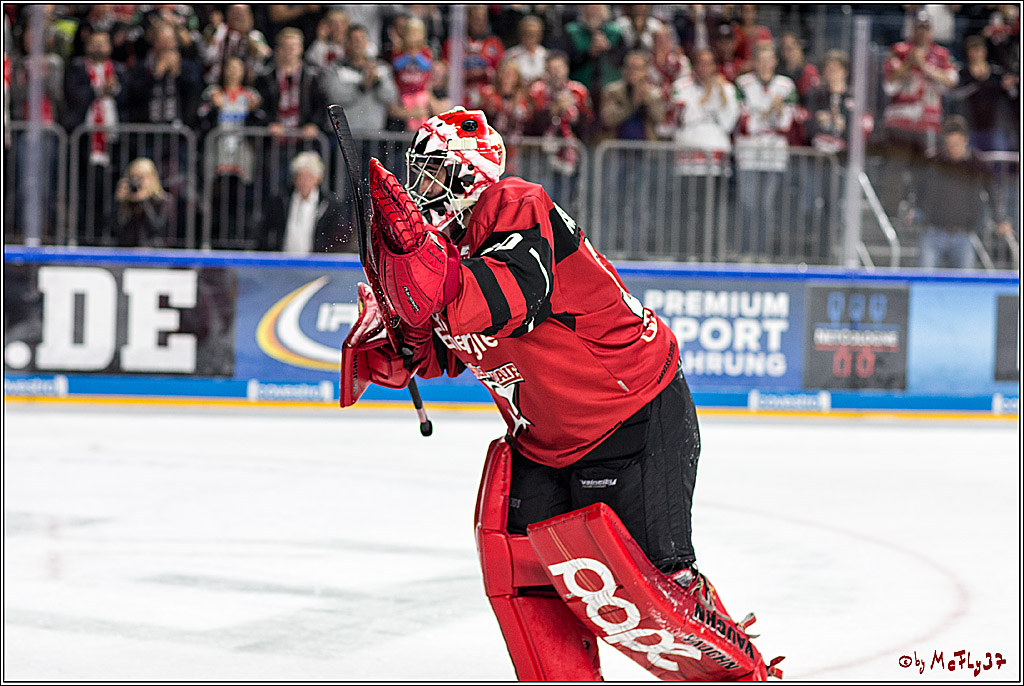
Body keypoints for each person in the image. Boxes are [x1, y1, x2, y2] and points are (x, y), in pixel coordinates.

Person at [339, 107, 781, 681]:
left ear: (469, 176)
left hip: (632, 417)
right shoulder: (444, 252)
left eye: (431, 174)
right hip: (542, 444)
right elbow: (451, 346)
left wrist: (428, 280)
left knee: (658, 592)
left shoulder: (516, 205)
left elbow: (514, 293)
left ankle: (744, 675)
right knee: (519, 573)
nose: (419, 191)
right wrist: (399, 334)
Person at [909, 115, 1013, 270]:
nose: (952, 149)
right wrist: (916, 208)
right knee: (924, 280)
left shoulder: (977, 165)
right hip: (933, 231)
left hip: (963, 235)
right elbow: (919, 188)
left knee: (964, 284)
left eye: (956, 144)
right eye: (949, 145)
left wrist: (1000, 219)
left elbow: (993, 194)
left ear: (965, 140)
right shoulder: (934, 163)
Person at [734, 41, 796, 258]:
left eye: (769, 60)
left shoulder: (786, 86)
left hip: (774, 154)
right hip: (749, 152)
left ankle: (763, 252)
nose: (765, 65)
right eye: (760, 60)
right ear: (754, 62)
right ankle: (745, 251)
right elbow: (744, 122)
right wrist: (771, 112)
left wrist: (768, 115)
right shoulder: (743, 84)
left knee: (767, 206)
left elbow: (786, 124)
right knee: (748, 204)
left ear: (775, 62)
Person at [258, 151, 352, 253]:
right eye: (300, 176)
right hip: (282, 261)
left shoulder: (330, 205)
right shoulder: (281, 200)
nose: (304, 182)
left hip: (316, 263)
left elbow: (336, 236)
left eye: (309, 177)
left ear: (318, 178)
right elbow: (265, 230)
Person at [114, 157, 170, 248]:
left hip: (153, 252)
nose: (137, 181)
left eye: (141, 177)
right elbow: (115, 227)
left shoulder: (163, 200)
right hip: (126, 251)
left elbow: (157, 228)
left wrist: (144, 200)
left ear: (152, 178)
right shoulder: (126, 200)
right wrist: (120, 202)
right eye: (133, 177)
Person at [501, 15, 548, 85]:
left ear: (540, 35)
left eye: (535, 33)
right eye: (527, 32)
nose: (531, 36)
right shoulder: (510, 55)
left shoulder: (546, 55)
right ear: (521, 34)